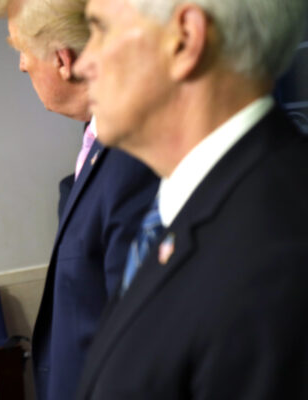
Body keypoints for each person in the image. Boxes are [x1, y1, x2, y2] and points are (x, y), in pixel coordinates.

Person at [73, 0, 308, 398]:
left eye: (99, 29)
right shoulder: (192, 206)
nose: (82, 65)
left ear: (184, 40)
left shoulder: (275, 250)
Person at [0, 1, 158, 399]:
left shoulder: (136, 157)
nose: (22, 65)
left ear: (63, 59)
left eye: (20, 49)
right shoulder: (96, 144)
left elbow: (138, 342)